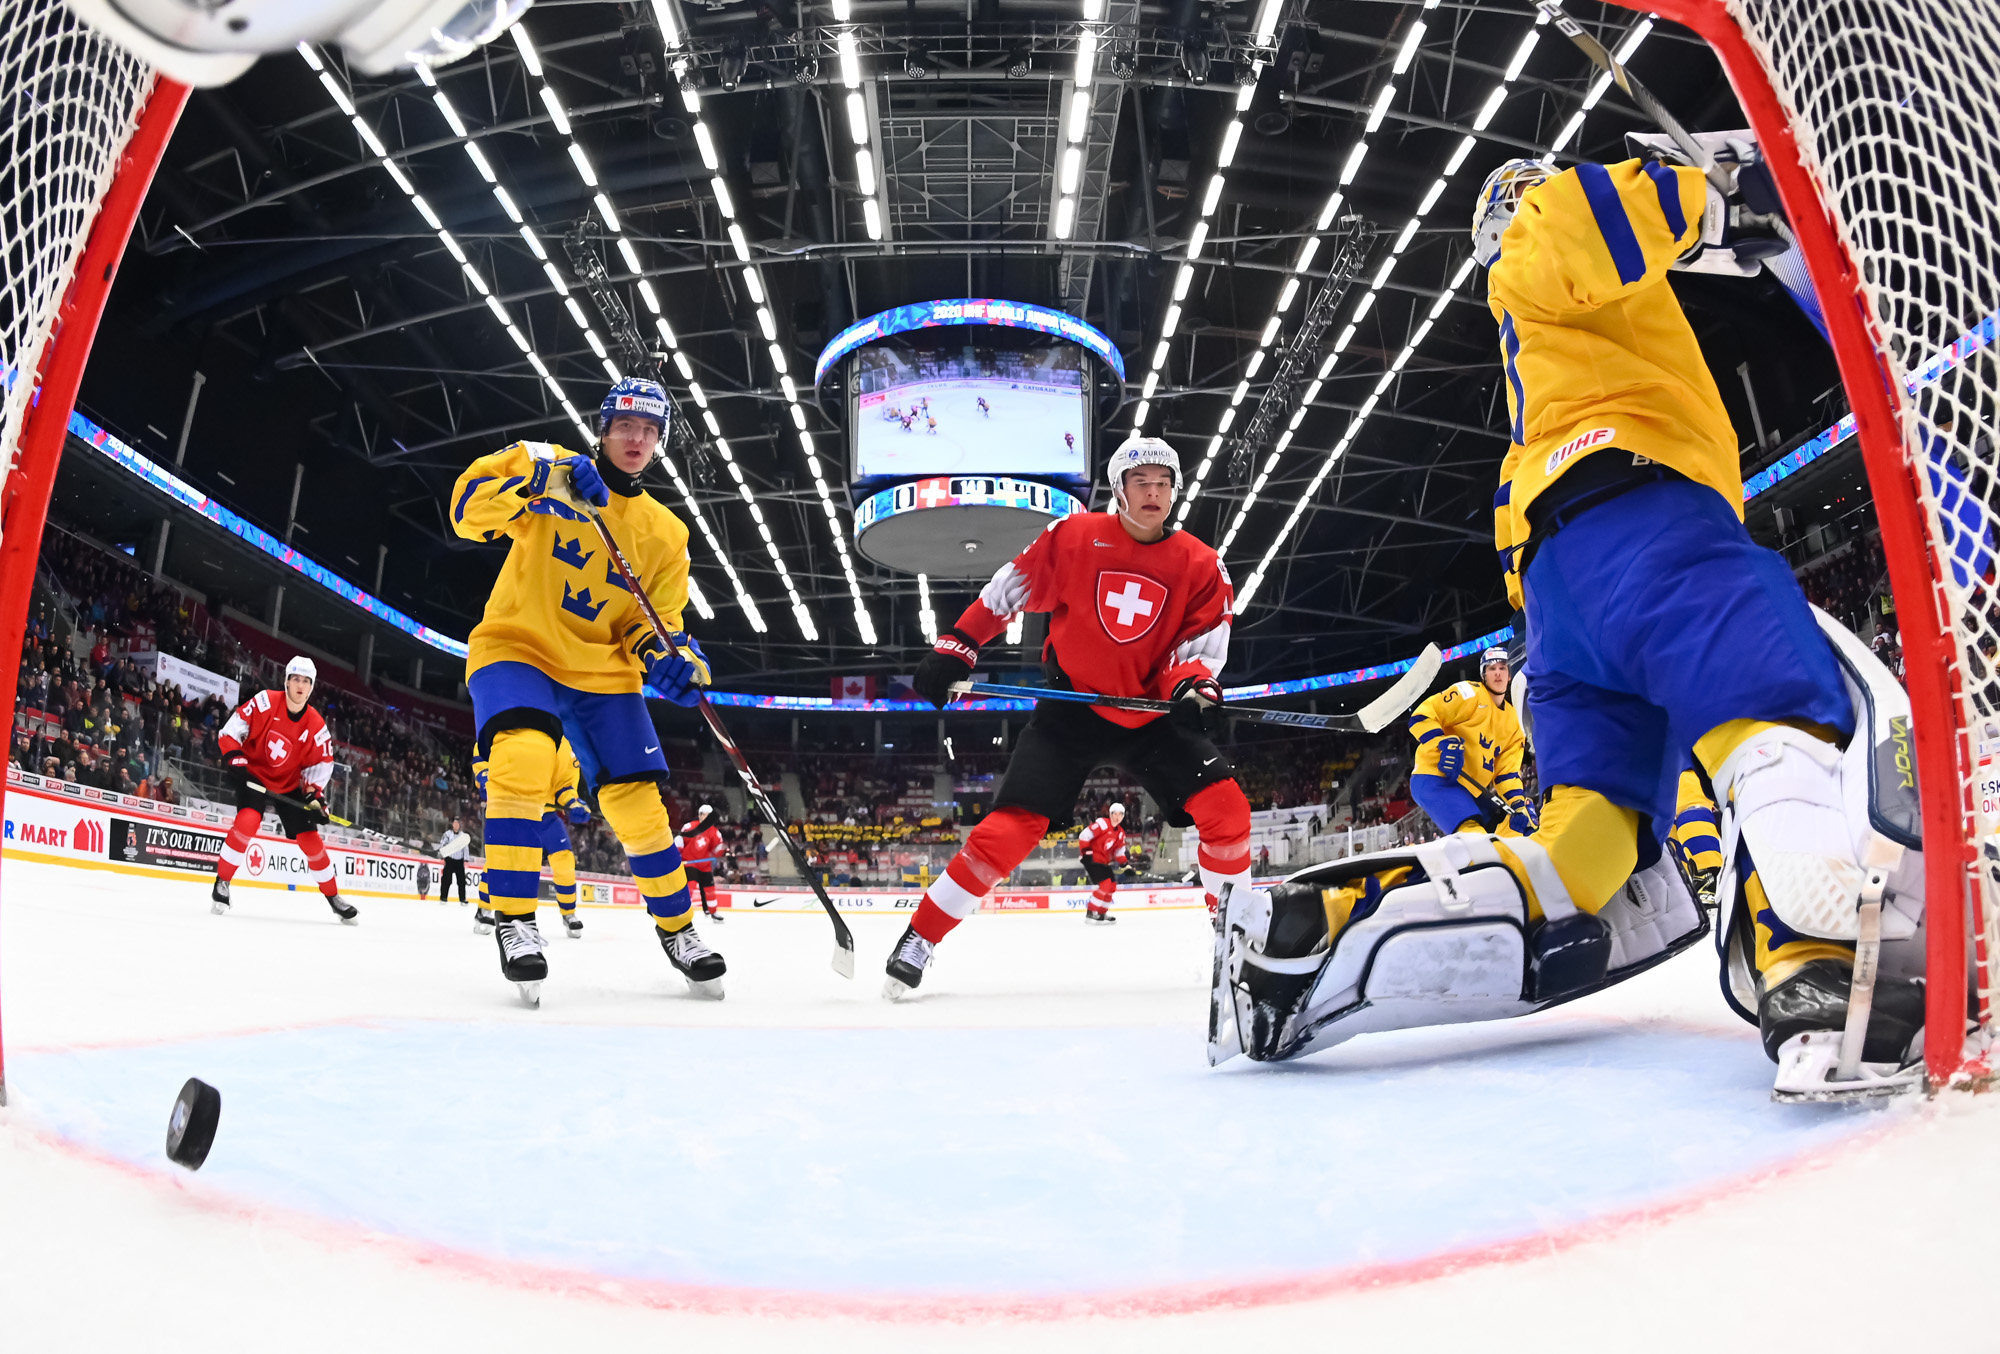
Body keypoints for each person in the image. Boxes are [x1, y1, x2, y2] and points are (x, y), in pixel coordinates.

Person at [1218, 149, 1923, 1098]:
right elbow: (1583, 219)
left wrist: (1731, 239)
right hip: (1646, 521)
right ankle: (1822, 972)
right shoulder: (1542, 235)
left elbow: (1518, 534)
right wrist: (1712, 184)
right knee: (1773, 714)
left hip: (1560, 607)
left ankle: (1330, 919)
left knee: (1588, 842)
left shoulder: (1531, 402)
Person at [887, 434, 1254, 998]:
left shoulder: (1202, 564)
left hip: (1151, 716)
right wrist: (960, 641)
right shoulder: (1076, 536)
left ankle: (1237, 936)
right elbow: (1010, 589)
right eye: (1141, 483)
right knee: (1007, 832)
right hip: (1071, 711)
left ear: (1175, 491)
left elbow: (1201, 648)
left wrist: (1194, 689)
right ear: (1119, 490)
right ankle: (921, 937)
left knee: (1226, 808)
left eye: (1163, 483)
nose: (1154, 493)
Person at [450, 376, 723, 1003]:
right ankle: (516, 922)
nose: (637, 439)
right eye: (626, 426)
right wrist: (542, 476)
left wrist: (673, 661)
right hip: (517, 646)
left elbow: (654, 624)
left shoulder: (666, 533)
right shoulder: (551, 471)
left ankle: (680, 931)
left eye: (650, 431)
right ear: (603, 429)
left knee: (639, 806)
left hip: (601, 671)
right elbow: (467, 511)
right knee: (522, 757)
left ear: (659, 444)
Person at [207, 655, 358, 924]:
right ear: (286, 682)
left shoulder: (317, 727)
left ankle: (334, 897)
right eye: (296, 679)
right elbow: (230, 732)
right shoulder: (265, 701)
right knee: (248, 820)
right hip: (253, 775)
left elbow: (319, 768)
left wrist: (315, 799)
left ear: (312, 687)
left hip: (289, 784)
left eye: (306, 681)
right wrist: (236, 758)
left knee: (311, 840)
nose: (300, 685)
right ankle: (223, 882)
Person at [1405, 647, 1533, 835]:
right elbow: (1421, 716)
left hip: (1471, 790)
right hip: (1436, 778)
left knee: (1516, 828)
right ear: (1483, 675)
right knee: (1474, 835)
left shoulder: (1514, 722)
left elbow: (1507, 774)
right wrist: (1441, 743)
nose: (1497, 673)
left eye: (1503, 668)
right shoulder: (1469, 693)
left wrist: (1518, 805)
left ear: (1510, 675)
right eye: (1491, 668)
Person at [1076, 801, 1128, 925]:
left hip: (1104, 861)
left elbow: (1119, 852)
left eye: (1121, 814)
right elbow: (1084, 836)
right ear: (1110, 814)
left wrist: (1125, 864)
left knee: (1112, 887)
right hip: (1092, 859)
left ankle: (1101, 913)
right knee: (1105, 885)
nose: (1117, 817)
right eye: (1115, 814)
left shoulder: (1120, 833)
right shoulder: (1103, 824)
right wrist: (1087, 853)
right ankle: (1091, 912)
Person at [680, 803, 725, 922]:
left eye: (706, 815)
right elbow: (680, 840)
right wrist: (678, 852)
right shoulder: (689, 826)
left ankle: (713, 912)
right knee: (690, 885)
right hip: (690, 862)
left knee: (710, 888)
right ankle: (683, 911)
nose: (703, 817)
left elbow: (716, 849)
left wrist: (723, 851)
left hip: (704, 865)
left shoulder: (715, 832)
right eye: (702, 814)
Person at [436, 816, 472, 905]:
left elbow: (465, 848)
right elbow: (442, 845)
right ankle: (443, 897)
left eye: (458, 823)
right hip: (449, 860)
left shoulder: (463, 836)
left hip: (459, 861)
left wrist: (466, 859)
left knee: (461, 881)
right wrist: (442, 857)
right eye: (455, 823)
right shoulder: (447, 834)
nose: (456, 825)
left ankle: (462, 899)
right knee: (446, 880)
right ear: (452, 824)